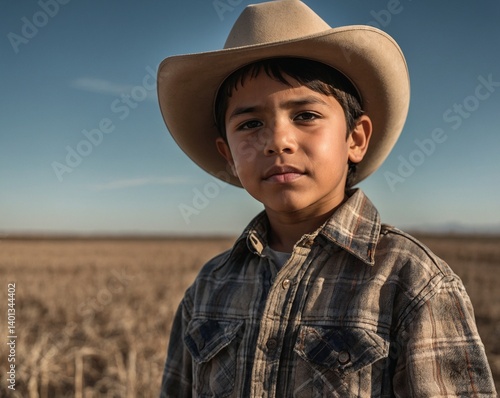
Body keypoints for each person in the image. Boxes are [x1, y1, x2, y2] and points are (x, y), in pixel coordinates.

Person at [157, 1, 497, 396]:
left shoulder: (412, 284)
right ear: (228, 156)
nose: (277, 142)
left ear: (355, 139)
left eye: (305, 116)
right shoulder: (209, 287)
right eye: (250, 124)